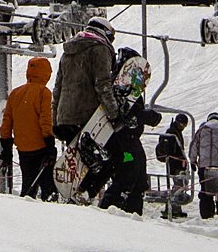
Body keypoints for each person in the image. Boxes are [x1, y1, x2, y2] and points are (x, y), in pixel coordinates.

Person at [52, 16, 120, 201]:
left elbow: (57, 89)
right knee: (109, 158)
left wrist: (55, 121)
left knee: (78, 162)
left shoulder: (68, 53)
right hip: (88, 117)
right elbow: (103, 85)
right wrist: (114, 114)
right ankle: (85, 194)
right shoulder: (100, 49)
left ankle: (71, 194)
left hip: (65, 118)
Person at [94, 49, 161, 214]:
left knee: (134, 176)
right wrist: (147, 116)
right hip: (125, 141)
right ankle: (115, 207)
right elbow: (128, 112)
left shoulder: (119, 87)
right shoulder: (121, 89)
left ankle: (129, 208)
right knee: (128, 174)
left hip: (126, 140)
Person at [0, 56, 56, 199]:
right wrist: (50, 144)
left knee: (28, 185)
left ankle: (26, 214)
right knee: (48, 188)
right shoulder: (44, 93)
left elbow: (6, 123)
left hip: (23, 149)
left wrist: (6, 148)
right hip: (41, 147)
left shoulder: (15, 93)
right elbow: (45, 120)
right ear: (46, 73)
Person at [192, 110, 218, 219]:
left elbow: (194, 146)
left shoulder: (202, 129)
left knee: (206, 191)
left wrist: (193, 161)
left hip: (205, 165)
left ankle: (206, 214)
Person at [156, 112, 192, 218]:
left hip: (177, 163)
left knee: (179, 185)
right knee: (178, 185)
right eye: (182, 125)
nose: (183, 127)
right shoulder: (171, 133)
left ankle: (175, 207)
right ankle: (171, 208)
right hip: (175, 164)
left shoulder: (175, 132)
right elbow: (171, 150)